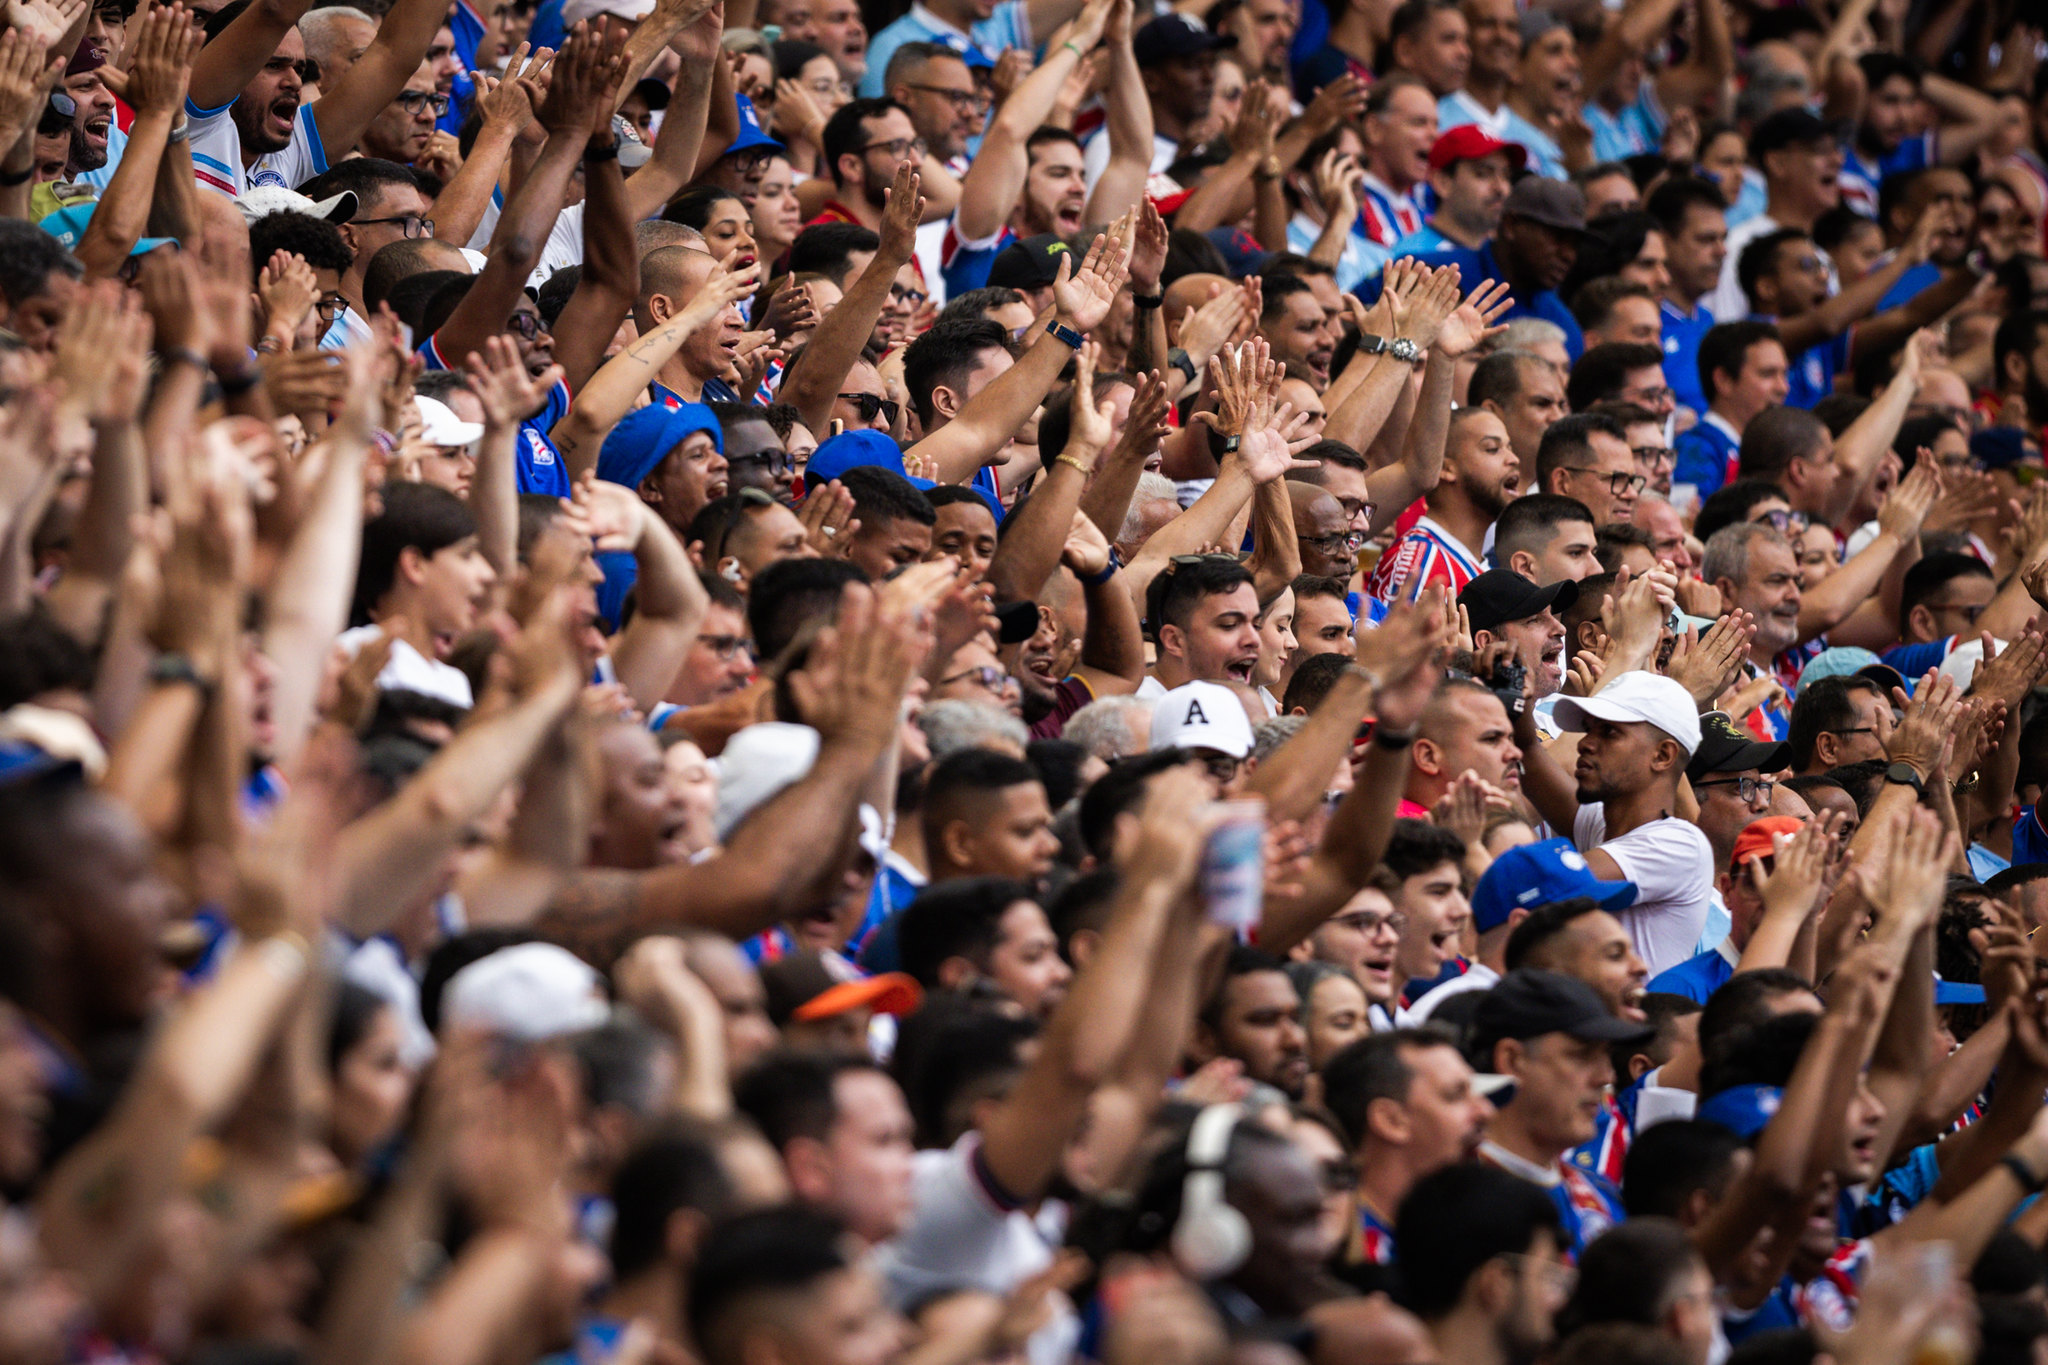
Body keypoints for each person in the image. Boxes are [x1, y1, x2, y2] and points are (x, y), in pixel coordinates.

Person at [1518, 672, 1715, 976]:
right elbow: (1529, 753)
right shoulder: (1603, 824)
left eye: (1608, 733)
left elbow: (1549, 881)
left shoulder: (1680, 844)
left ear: (1663, 755)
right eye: (1588, 729)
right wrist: (1513, 696)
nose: (1584, 744)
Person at [1470, 968, 1654, 1256]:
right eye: (1581, 1056)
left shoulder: (1602, 1196)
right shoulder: (1453, 1200)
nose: (1605, 1076)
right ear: (1512, 1060)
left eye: (1605, 1055)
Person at [1322, 1027, 1498, 1264]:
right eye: (1456, 1095)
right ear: (1391, 1121)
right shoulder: (1333, 1250)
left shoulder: (1464, 1236)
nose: (1486, 1111)